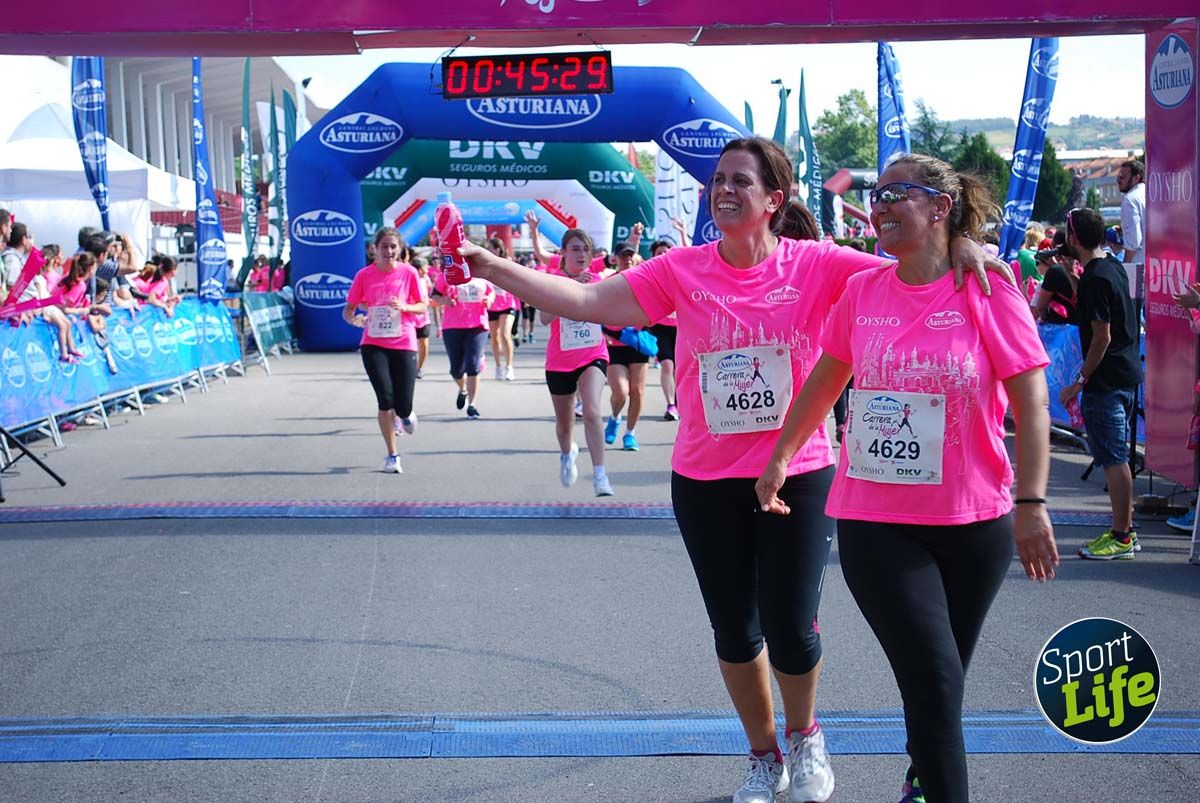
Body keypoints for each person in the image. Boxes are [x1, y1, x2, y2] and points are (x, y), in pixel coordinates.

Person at [456, 136, 1005, 803]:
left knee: (791, 624)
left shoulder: (818, 265)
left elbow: (913, 261)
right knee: (735, 630)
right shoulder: (681, 271)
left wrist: (970, 248)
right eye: (718, 180)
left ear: (775, 200)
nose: (723, 190)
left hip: (797, 471)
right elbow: (586, 301)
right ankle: (763, 754)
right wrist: (491, 266)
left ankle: (805, 739)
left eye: (740, 181)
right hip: (706, 479)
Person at [757, 153, 1057, 803]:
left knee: (939, 680)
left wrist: (1031, 501)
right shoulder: (864, 291)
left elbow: (1032, 402)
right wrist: (781, 453)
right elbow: (825, 378)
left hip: (975, 522)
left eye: (898, 194)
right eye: (877, 194)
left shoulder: (986, 287)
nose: (881, 204)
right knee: (937, 680)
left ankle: (923, 777)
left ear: (941, 208)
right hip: (877, 523)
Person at [1058, 207, 1143, 560]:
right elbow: (1099, 308)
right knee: (1116, 457)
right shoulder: (1109, 268)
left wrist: (1079, 380)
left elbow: (1101, 336)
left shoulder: (1096, 277)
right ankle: (1126, 531)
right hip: (1125, 374)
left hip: (1106, 381)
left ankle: (1121, 536)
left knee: (1113, 459)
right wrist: (1070, 276)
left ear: (1073, 237)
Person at [534, 228, 614, 496]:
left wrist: (594, 291)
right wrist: (569, 291)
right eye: (576, 249)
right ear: (563, 254)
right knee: (564, 425)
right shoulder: (553, 280)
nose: (581, 254)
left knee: (592, 411)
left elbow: (612, 312)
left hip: (593, 354)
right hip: (559, 361)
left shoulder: (598, 279)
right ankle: (567, 453)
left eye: (585, 249)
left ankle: (600, 475)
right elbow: (544, 318)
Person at [342, 227, 426, 474]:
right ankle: (393, 454)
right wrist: (355, 319)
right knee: (385, 400)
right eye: (384, 247)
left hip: (403, 341)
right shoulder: (364, 276)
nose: (388, 251)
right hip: (373, 343)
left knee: (402, 405)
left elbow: (423, 306)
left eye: (393, 247)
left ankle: (406, 414)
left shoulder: (409, 273)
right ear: (374, 249)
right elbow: (349, 309)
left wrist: (405, 306)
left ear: (399, 249)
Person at [603, 233, 651, 451]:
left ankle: (630, 434)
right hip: (615, 343)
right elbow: (596, 309)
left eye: (631, 255)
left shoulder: (646, 280)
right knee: (621, 392)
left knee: (638, 391)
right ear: (616, 259)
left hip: (638, 343)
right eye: (623, 256)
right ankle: (614, 417)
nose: (628, 259)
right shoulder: (609, 282)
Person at [432, 249, 494, 419]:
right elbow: (435, 296)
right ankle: (463, 388)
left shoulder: (481, 277)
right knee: (456, 370)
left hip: (477, 325)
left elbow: (491, 292)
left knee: (472, 365)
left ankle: (472, 405)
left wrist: (489, 300)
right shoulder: (447, 275)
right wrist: (444, 300)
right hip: (452, 326)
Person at [647, 234, 682, 421]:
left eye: (667, 252)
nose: (663, 255)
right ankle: (671, 405)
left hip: (681, 328)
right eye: (659, 253)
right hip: (660, 328)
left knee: (681, 369)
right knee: (667, 365)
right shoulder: (650, 276)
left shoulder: (682, 273)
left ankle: (680, 402)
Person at [484, 237, 520, 381]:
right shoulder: (485, 264)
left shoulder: (508, 262)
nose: (487, 250)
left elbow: (517, 280)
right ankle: (498, 366)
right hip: (492, 305)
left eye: (490, 248)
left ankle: (509, 367)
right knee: (494, 338)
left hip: (508, 304)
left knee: (506, 334)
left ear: (497, 249)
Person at [1032, 229, 1078, 324]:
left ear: (1057, 248)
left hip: (1061, 329)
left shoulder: (1055, 271)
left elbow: (1040, 307)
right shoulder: (1085, 266)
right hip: (1085, 328)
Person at [1116, 159, 1145, 271]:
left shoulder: (1130, 199)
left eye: (1122, 177)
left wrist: (1125, 266)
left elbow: (1134, 241)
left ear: (1136, 178)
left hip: (1138, 265)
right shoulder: (1151, 194)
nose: (1118, 180)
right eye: (1118, 176)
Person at [410, 255, 433, 379]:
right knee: (411, 345)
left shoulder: (425, 279)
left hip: (424, 319)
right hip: (410, 319)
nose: (428, 269)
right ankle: (410, 367)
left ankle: (419, 368)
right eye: (426, 267)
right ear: (419, 269)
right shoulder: (408, 280)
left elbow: (430, 293)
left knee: (424, 344)